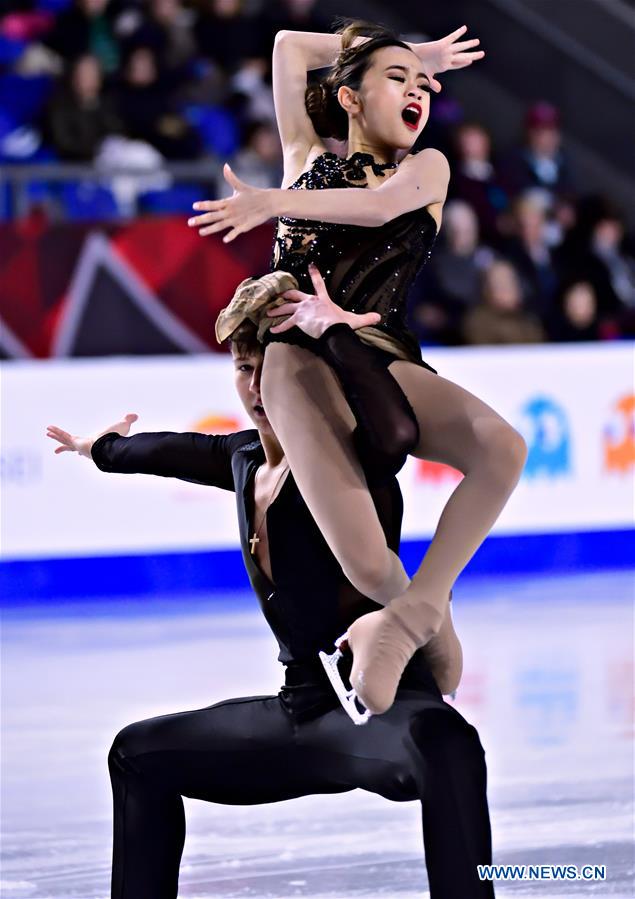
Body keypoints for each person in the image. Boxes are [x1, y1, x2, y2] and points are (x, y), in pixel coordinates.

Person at [46, 269, 493, 899]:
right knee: (136, 754)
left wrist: (335, 338)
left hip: (375, 709)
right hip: (301, 710)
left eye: (268, 368)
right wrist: (104, 448)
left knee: (449, 742)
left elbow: (395, 430)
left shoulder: (353, 458)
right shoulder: (245, 459)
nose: (256, 387)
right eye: (243, 366)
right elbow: (169, 451)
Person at [188, 20, 527, 721]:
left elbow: (377, 208)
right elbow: (286, 45)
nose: (416, 91)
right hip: (294, 355)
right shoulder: (304, 155)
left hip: (379, 347)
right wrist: (410, 50)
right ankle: (399, 612)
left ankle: (413, 615)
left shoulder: (424, 168)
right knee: (369, 564)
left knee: (502, 447)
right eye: (395, 81)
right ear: (348, 98)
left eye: (422, 84)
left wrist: (271, 202)